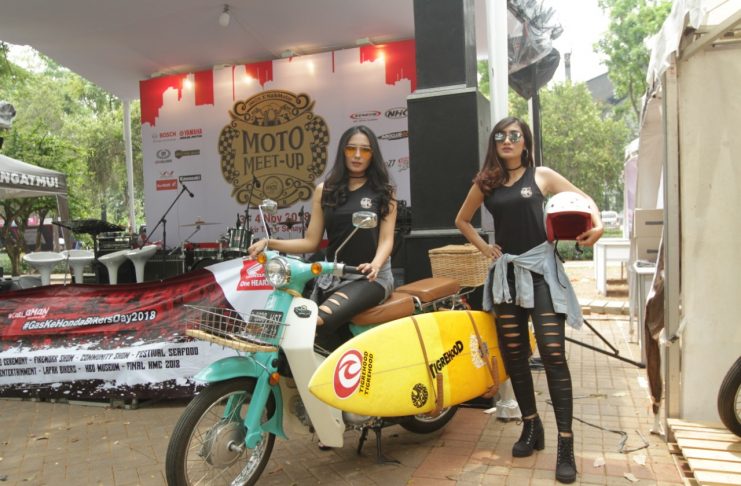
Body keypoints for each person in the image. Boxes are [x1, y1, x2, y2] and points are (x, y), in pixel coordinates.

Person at [455, 117, 603, 484]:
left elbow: (586, 200)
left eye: (514, 135)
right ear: (494, 143)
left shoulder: (541, 176)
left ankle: (565, 444)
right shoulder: (486, 182)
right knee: (514, 354)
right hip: (507, 275)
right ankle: (531, 425)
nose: (507, 140)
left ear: (525, 142)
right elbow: (462, 220)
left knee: (553, 353)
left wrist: (597, 227)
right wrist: (486, 248)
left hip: (541, 273)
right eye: (500, 136)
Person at [248, 125, 397, 351]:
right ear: (342, 151)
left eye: (365, 150)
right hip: (332, 275)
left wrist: (375, 265)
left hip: (369, 278)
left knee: (316, 322)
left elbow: (386, 239)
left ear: (372, 154)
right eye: (351, 149)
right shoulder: (325, 190)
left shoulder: (384, 191)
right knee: (292, 324)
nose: (357, 155)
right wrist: (269, 243)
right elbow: (311, 242)